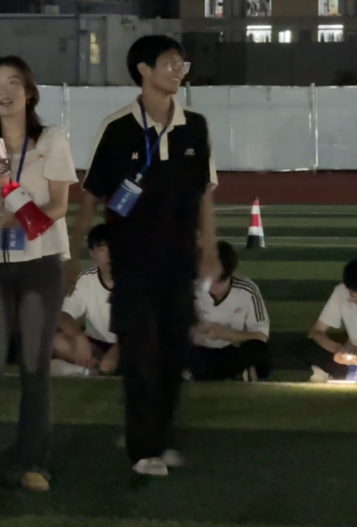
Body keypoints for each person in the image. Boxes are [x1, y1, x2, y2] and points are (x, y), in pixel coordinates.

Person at [74, 35, 219, 478]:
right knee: (140, 351)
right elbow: (92, 194)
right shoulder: (117, 127)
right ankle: (143, 449)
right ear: (143, 69)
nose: (179, 71)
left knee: (174, 351)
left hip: (179, 260)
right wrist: (72, 251)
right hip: (133, 262)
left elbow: (205, 194)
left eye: (182, 63)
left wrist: (210, 248)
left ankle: (159, 433)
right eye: (170, 63)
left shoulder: (195, 126)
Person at [0, 55, 78, 495]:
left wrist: (28, 222)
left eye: (12, 83)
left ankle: (34, 464)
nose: (4, 92)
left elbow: (60, 205)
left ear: (29, 91)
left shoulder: (51, 139)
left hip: (40, 264)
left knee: (34, 367)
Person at [189, 241, 270, 382]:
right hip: (200, 350)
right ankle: (236, 373)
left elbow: (261, 336)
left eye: (220, 281)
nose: (213, 287)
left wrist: (225, 334)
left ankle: (201, 374)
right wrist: (193, 332)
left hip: (232, 350)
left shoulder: (247, 290)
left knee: (259, 351)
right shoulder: (191, 288)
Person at [51, 224, 118, 377]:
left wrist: (117, 350)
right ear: (92, 254)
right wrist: (79, 337)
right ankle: (97, 368)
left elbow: (139, 325)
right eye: (102, 249)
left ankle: (90, 370)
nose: (109, 255)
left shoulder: (133, 280)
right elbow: (63, 315)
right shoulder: (87, 279)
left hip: (127, 343)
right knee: (57, 341)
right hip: (96, 345)